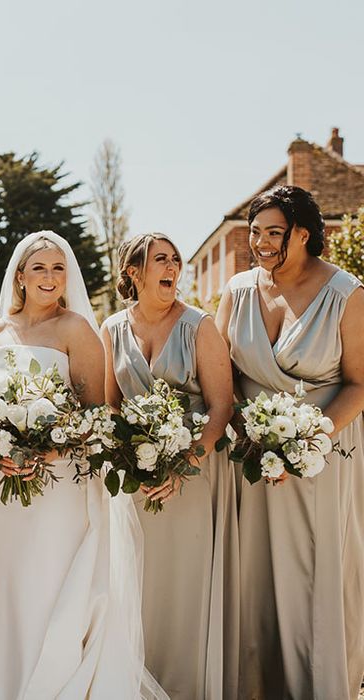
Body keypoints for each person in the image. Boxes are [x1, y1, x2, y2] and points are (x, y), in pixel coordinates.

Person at [0, 230, 166, 699]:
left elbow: (96, 412)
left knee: (50, 583)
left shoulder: (76, 330)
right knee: (7, 585)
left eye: (58, 268)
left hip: (59, 483)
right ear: (21, 277)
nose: (50, 277)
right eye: (40, 268)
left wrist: (49, 450)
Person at [215, 185, 364, 698]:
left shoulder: (346, 293)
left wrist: (307, 442)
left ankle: (319, 684)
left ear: (304, 234)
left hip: (325, 452)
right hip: (251, 455)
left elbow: (360, 384)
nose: (261, 243)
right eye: (255, 232)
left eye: (274, 233)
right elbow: (221, 379)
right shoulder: (235, 292)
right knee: (252, 572)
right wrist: (243, 434)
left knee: (315, 569)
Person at [102, 232, 238, 699]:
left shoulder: (199, 326)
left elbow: (222, 408)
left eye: (175, 260)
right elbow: (112, 406)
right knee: (139, 589)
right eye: (161, 260)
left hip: (193, 476)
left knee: (185, 588)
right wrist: (129, 460)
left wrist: (183, 465)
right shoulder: (112, 329)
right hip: (135, 480)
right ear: (134, 273)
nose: (173, 268)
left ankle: (187, 688)